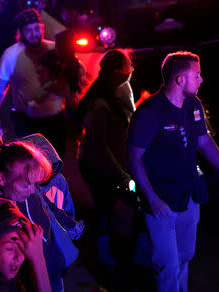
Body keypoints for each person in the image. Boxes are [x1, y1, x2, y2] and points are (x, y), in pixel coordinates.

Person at [128, 51, 219, 292]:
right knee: (167, 266)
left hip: (189, 196)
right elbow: (134, 158)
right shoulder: (150, 113)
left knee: (185, 256)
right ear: (180, 79)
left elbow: (204, 142)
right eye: (197, 74)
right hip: (162, 202)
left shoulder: (193, 104)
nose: (201, 80)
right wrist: (153, 200)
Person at [0, 135, 80, 292]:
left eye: (34, 184)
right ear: (1, 178)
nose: (31, 191)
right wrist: (37, 258)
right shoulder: (5, 221)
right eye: (25, 186)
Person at [77, 49, 136, 266]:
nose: (131, 71)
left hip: (107, 165)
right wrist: (121, 177)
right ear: (117, 72)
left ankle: (104, 249)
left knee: (107, 206)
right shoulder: (101, 104)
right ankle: (101, 254)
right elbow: (99, 148)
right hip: (98, 166)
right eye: (129, 66)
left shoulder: (115, 94)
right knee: (103, 207)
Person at [0, 8, 66, 157]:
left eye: (36, 28)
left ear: (42, 27)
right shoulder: (11, 54)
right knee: (32, 165)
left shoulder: (55, 49)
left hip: (56, 120)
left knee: (57, 162)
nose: (34, 33)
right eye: (28, 30)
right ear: (21, 32)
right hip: (27, 123)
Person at [0, 198, 51, 292]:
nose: (18, 257)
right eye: (10, 248)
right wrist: (38, 258)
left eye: (23, 248)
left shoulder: (11, 278)